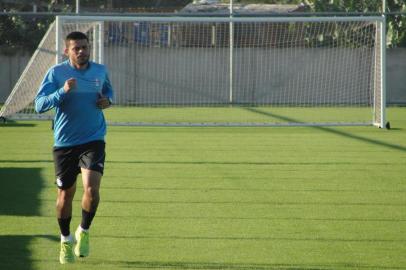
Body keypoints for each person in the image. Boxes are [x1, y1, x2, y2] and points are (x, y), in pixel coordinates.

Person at [35, 31, 114, 264]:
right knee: (65, 194)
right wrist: (62, 92)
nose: (82, 51)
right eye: (76, 48)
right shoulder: (56, 73)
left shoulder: (100, 71)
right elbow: (39, 105)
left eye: (85, 47)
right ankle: (66, 239)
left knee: (91, 188)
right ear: (66, 51)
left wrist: (107, 101)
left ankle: (84, 231)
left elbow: (109, 92)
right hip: (65, 143)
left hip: (94, 138)